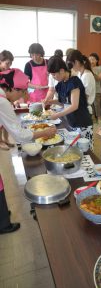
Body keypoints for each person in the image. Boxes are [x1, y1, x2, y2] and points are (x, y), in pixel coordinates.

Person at [0, 68, 57, 234]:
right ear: (13, 88)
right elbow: (20, 135)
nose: (22, 97)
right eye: (22, 92)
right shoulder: (3, 101)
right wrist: (45, 133)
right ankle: (3, 224)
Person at [46, 56, 94, 150]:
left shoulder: (74, 82)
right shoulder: (62, 83)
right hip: (72, 121)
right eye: (52, 75)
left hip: (82, 122)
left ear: (62, 70)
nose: (54, 78)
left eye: (54, 75)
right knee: (74, 149)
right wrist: (50, 101)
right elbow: (63, 102)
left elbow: (74, 105)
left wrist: (57, 114)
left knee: (85, 151)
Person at [66, 49, 96, 115]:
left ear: (76, 62)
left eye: (71, 64)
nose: (71, 68)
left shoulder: (87, 75)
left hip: (84, 110)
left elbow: (84, 97)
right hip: (80, 108)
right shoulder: (80, 74)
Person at [0, 50, 15, 150]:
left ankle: (5, 138)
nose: (9, 66)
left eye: (10, 63)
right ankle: (0, 141)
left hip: (7, 97)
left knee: (7, 120)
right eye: (7, 63)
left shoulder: (8, 71)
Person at [89, 53, 101, 124]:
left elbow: (100, 79)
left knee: (97, 104)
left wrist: (92, 73)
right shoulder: (87, 69)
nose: (91, 61)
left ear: (97, 60)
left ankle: (99, 118)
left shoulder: (99, 68)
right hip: (89, 90)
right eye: (90, 59)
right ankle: (93, 117)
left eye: (93, 59)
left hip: (97, 90)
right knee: (90, 104)